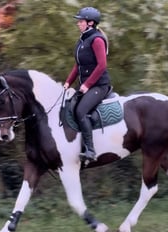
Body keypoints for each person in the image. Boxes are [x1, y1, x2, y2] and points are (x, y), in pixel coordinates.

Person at [64, 6, 111, 162]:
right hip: (86, 85)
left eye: (81, 21)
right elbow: (78, 65)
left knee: (81, 111)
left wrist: (87, 85)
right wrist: (68, 82)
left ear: (90, 23)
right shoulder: (82, 40)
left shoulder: (97, 40)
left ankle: (90, 150)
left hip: (99, 86)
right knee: (69, 107)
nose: (78, 23)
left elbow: (102, 66)